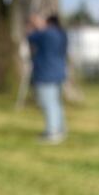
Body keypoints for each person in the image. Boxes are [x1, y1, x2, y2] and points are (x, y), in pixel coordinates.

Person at [27, 13, 68, 143]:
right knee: (56, 103)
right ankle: (60, 129)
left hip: (46, 73)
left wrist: (35, 25)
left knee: (48, 103)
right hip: (59, 72)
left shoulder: (46, 34)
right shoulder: (62, 34)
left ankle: (52, 132)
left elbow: (29, 36)